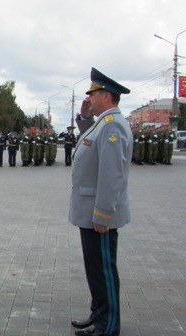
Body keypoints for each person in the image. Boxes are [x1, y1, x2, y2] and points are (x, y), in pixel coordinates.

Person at [69, 67, 132, 336]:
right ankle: (99, 315)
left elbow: (111, 174)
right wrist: (84, 117)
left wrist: (103, 214)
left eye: (92, 94)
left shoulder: (113, 124)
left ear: (106, 95)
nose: (88, 98)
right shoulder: (103, 122)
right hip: (89, 212)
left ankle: (109, 326)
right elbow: (88, 143)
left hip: (98, 215)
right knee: (95, 270)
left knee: (104, 271)